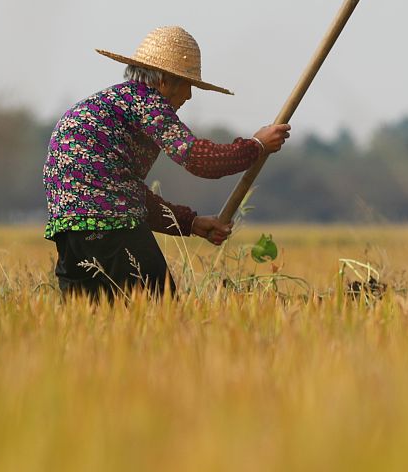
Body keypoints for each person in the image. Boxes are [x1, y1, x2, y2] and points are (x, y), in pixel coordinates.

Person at [43, 25, 290, 298]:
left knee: (91, 326)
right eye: (187, 84)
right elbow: (198, 159)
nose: (189, 95)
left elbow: (123, 195)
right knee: (160, 315)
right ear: (163, 80)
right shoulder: (146, 102)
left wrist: (191, 223)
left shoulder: (110, 104)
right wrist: (256, 146)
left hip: (70, 236)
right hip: (114, 229)